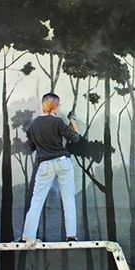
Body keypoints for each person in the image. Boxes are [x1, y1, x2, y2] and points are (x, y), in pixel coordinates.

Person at [21, 92, 82, 243]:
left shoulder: (33, 125)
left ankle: (27, 237)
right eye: (59, 104)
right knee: (68, 199)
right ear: (54, 106)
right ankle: (71, 236)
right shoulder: (58, 122)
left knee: (36, 202)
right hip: (62, 162)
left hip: (45, 165)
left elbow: (30, 147)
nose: (60, 107)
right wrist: (73, 121)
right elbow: (75, 138)